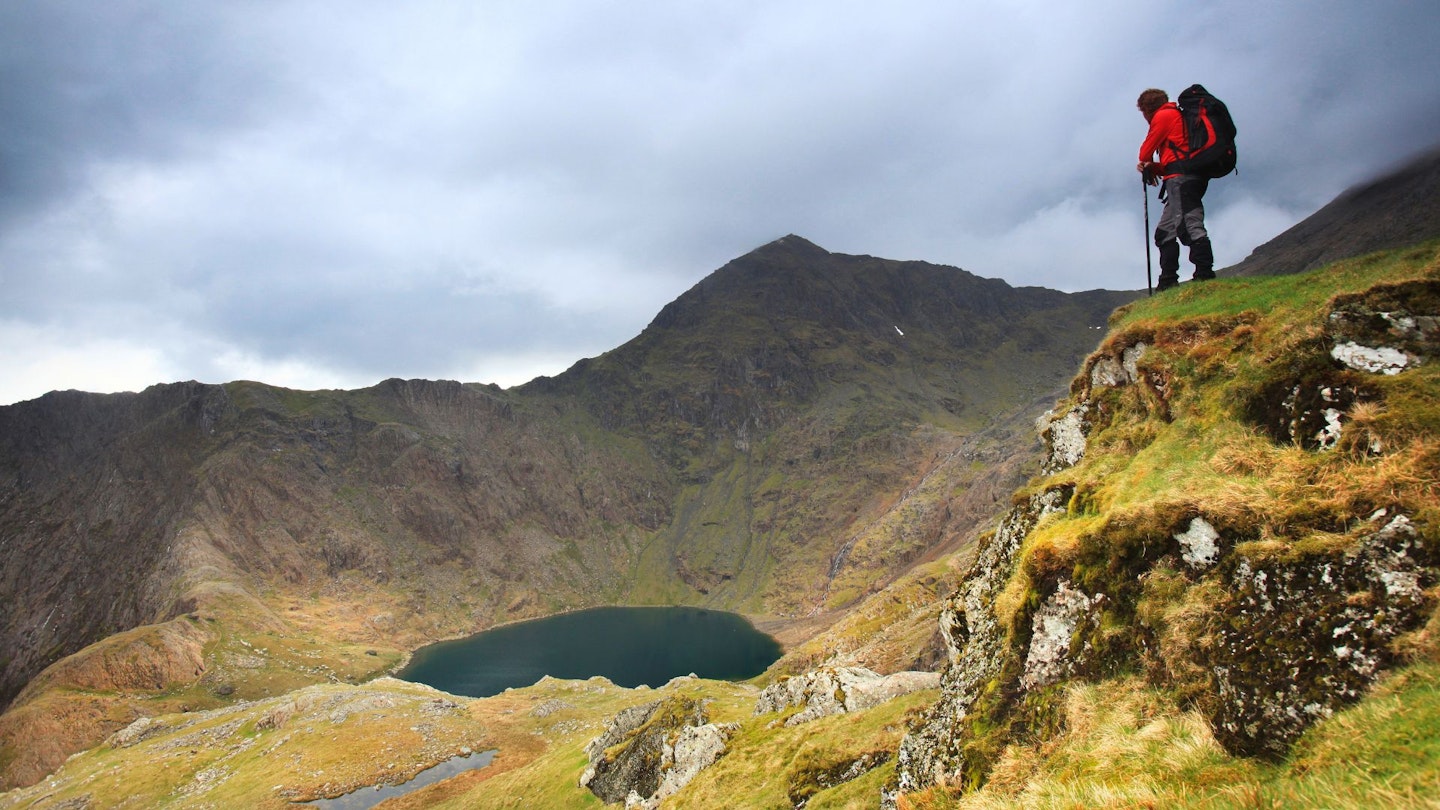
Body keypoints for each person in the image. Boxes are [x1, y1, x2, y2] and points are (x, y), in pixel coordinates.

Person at [1137, 88, 1215, 291]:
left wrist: (1145, 163)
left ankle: (1204, 275)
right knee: (1165, 232)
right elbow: (1175, 157)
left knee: (1189, 225)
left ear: (1146, 109)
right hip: (1182, 178)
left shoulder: (1164, 115)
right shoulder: (1176, 117)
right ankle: (1167, 281)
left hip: (1181, 180)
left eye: (1143, 112)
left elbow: (1145, 151)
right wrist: (1155, 167)